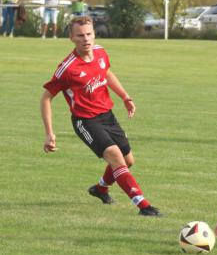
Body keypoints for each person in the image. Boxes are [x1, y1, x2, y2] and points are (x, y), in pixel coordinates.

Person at [40, 15, 161, 216]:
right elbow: (46, 98)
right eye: (80, 35)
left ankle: (100, 189)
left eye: (88, 34)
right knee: (115, 156)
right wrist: (49, 133)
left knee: (128, 160)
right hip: (85, 121)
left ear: (94, 34)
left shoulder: (100, 53)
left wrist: (124, 96)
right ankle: (144, 206)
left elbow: (106, 73)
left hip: (107, 115)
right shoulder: (67, 68)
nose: (85, 39)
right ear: (71, 38)